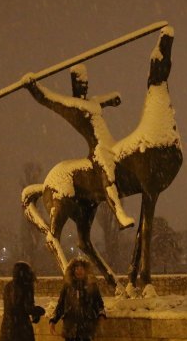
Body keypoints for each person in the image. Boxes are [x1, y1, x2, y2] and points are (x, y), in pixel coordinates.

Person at [22, 66, 135, 230]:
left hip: (112, 144)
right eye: (80, 83)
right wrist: (33, 87)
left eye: (85, 82)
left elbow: (111, 99)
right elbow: (48, 99)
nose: (84, 86)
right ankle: (119, 214)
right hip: (98, 150)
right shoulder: (73, 107)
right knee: (107, 173)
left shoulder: (92, 102)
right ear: (75, 85)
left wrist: (114, 99)